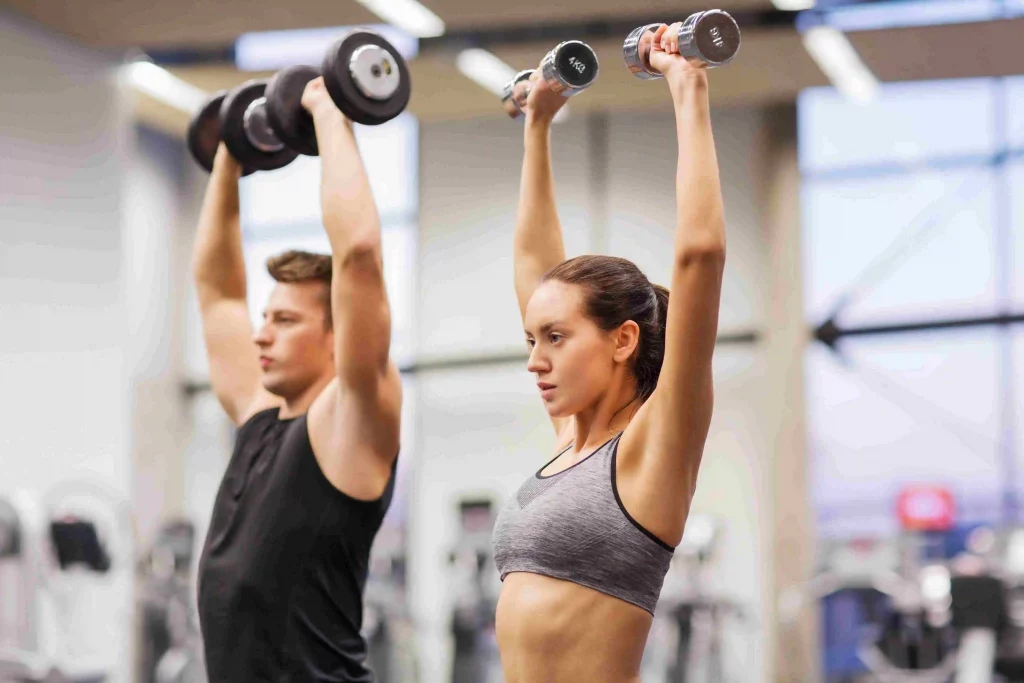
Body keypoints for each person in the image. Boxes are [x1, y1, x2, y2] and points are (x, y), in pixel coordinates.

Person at [491, 22, 727, 683]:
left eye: (556, 338)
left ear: (623, 339)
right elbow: (535, 268)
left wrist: (687, 83)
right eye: (532, 340)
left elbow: (701, 255)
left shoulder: (655, 445)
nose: (535, 360)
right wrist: (538, 127)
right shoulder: (569, 441)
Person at [191, 77, 402, 683]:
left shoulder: (350, 419)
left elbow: (359, 255)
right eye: (266, 319)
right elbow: (218, 292)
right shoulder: (259, 415)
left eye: (284, 321)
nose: (261, 336)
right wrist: (230, 155)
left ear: (338, 336)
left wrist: (330, 113)